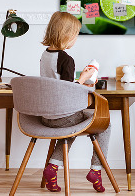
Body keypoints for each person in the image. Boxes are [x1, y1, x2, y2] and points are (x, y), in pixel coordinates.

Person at [40, 11, 110, 192]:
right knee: (104, 123)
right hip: (62, 115)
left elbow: (56, 84)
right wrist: (84, 79)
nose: (76, 39)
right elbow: (67, 91)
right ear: (66, 35)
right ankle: (96, 170)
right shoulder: (66, 59)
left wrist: (79, 80)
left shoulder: (45, 55)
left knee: (71, 127)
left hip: (46, 116)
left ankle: (52, 168)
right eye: (76, 35)